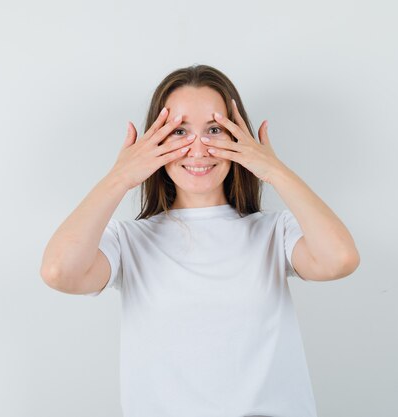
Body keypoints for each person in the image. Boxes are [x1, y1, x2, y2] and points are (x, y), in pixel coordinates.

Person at [40, 64, 360, 417]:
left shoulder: (274, 232)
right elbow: (59, 271)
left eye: (214, 129)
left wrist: (273, 170)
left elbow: (340, 259)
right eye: (178, 131)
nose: (199, 148)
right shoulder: (129, 241)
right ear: (153, 142)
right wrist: (120, 177)